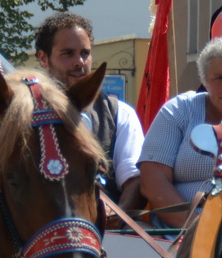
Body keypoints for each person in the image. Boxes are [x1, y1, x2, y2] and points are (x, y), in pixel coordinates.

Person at [139, 35, 222, 218]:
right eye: (219, 78)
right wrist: (194, 229)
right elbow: (153, 181)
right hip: (177, 231)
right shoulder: (180, 110)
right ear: (205, 80)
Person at [34, 12, 144, 206]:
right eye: (68, 53)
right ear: (44, 58)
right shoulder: (26, 113)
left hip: (104, 231)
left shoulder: (119, 114)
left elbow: (134, 179)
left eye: (85, 53)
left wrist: (118, 217)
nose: (80, 62)